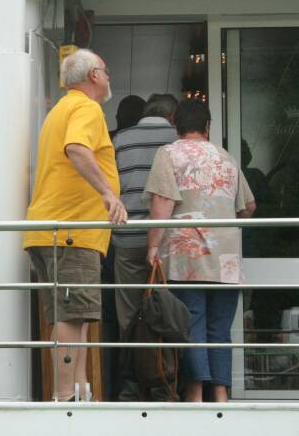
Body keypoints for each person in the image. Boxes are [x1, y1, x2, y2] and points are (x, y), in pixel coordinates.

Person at [24, 48, 127, 401]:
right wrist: (108, 194)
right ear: (94, 75)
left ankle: (80, 393)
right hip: (72, 231)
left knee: (75, 316)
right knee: (71, 316)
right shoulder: (86, 108)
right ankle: (67, 395)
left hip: (57, 230)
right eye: (106, 71)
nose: (109, 77)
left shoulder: (60, 109)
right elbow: (77, 148)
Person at [143, 99, 256, 403]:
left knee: (191, 324)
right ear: (207, 126)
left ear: (174, 124)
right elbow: (248, 206)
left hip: (187, 257)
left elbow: (162, 202)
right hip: (226, 260)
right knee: (220, 329)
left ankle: (194, 395)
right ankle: (220, 394)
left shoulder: (169, 154)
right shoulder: (226, 157)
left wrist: (152, 245)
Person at [112, 93, 178, 401]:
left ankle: (131, 387)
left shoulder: (121, 140)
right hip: (166, 242)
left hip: (126, 238)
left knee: (129, 315)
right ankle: (165, 384)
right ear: (172, 116)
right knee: (166, 313)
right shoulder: (177, 140)